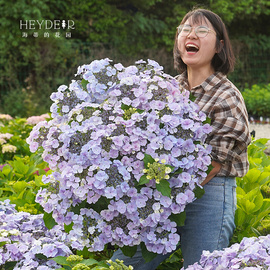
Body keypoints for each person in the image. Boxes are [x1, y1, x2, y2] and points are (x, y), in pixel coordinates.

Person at [111, 8, 251, 269]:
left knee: (203, 266)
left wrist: (159, 197)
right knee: (123, 265)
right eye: (185, 29)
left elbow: (214, 164)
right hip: (163, 193)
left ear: (220, 46)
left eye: (202, 30)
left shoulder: (226, 96)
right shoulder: (167, 90)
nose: (191, 35)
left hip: (208, 194)